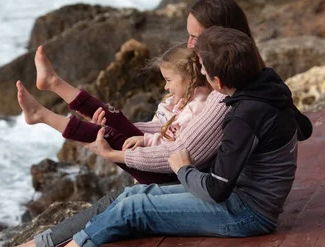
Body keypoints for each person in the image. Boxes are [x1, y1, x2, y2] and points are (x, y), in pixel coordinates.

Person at [0, 0, 307, 247]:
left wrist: (121, 155)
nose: (189, 46)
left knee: (131, 205)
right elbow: (300, 127)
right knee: (125, 194)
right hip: (229, 191)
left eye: (196, 40)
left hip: (239, 205)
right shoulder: (260, 84)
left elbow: (201, 172)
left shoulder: (234, 105)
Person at [16, 43, 211, 185]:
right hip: (158, 155)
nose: (165, 86)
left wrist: (145, 140)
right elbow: (163, 129)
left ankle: (40, 115)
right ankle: (54, 83)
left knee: (107, 135)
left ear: (190, 78)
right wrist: (143, 134)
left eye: (169, 80)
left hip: (168, 173)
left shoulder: (198, 105)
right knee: (113, 117)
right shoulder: (185, 99)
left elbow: (174, 145)